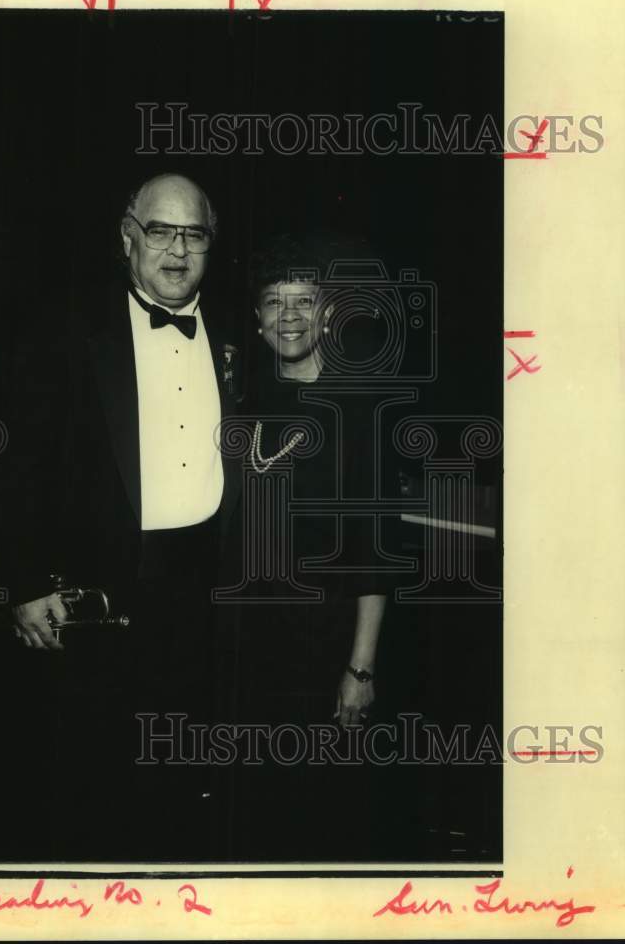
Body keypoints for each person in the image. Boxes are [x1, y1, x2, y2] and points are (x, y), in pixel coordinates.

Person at [0, 173, 240, 859]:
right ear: (127, 236)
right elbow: (16, 467)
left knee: (187, 771)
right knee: (95, 780)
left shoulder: (239, 336)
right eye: (161, 230)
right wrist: (22, 582)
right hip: (101, 587)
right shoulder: (65, 329)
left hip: (206, 589)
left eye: (194, 234)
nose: (177, 250)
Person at [220, 232, 400, 860]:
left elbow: (376, 553)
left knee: (322, 816)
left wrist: (360, 668)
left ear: (326, 312)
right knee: (251, 815)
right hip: (243, 642)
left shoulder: (359, 411)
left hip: (325, 642)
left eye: (304, 300)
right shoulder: (239, 402)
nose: (289, 316)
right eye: (274, 302)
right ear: (257, 318)